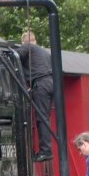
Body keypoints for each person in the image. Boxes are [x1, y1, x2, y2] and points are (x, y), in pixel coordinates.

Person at [18, 30, 53, 161]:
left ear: (24, 42)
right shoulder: (44, 52)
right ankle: (46, 149)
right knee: (45, 117)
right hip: (50, 83)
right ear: (35, 40)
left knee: (42, 118)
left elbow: (16, 56)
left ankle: (46, 151)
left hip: (41, 83)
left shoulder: (27, 46)